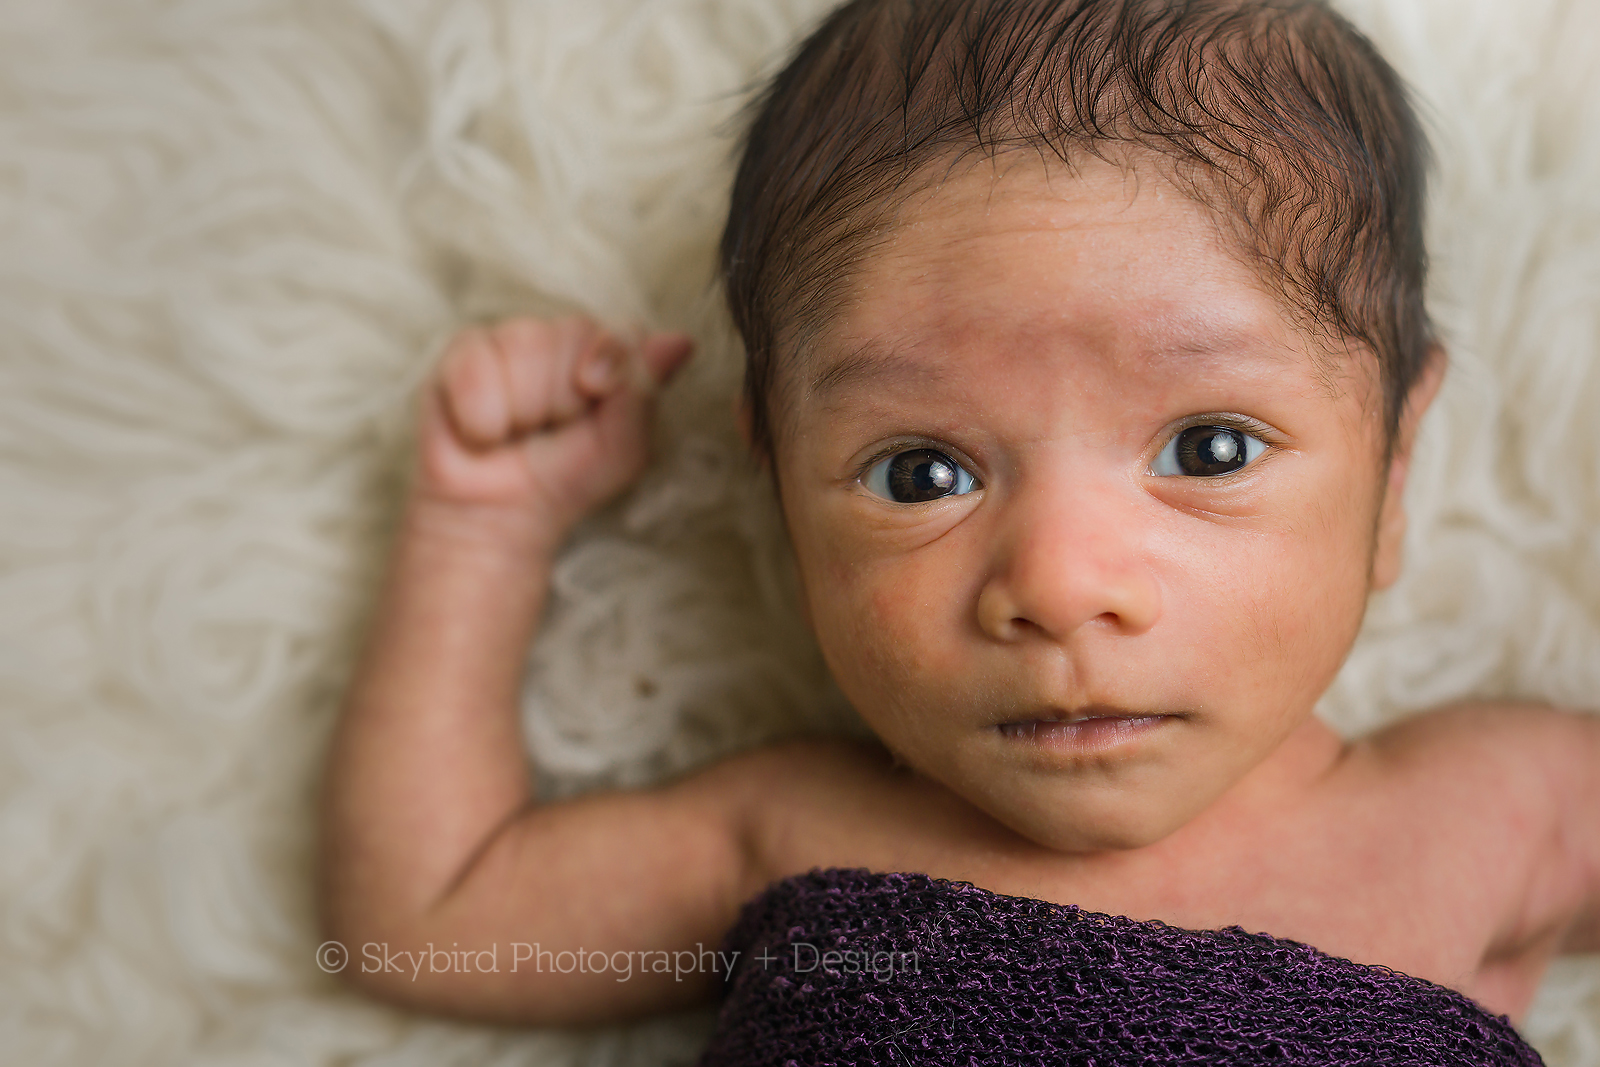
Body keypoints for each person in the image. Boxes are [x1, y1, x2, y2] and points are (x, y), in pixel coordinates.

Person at [318, 0, 1597, 1059]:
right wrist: (479, 534)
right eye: (920, 472)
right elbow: (420, 918)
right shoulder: (781, 832)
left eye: (1210, 448)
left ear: (1394, 470)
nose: (1056, 583)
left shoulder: (1485, 804)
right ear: (775, 479)